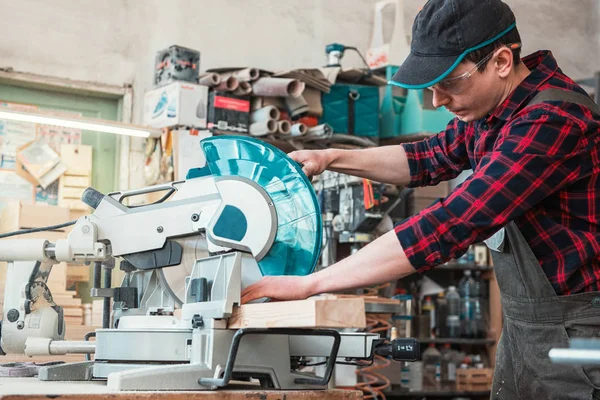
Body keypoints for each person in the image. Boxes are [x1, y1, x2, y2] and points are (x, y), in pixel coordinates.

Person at [242, 0, 600, 398]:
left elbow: (451, 223)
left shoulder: (553, 121)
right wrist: (331, 158)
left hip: (578, 337)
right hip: (525, 329)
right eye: (431, 85)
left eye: (449, 82)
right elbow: (427, 157)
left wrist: (312, 284)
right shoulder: (495, 112)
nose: (436, 101)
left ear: (500, 61)